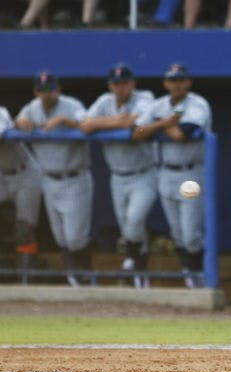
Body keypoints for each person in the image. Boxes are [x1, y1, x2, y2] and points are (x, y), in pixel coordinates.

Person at [132, 62, 212, 289]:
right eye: (172, 80)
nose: (177, 84)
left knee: (190, 235)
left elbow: (180, 134)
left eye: (181, 80)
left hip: (190, 173)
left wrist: (155, 126)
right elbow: (136, 132)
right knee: (177, 233)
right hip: (165, 171)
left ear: (188, 82)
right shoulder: (159, 105)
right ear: (166, 83)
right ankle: (190, 277)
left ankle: (201, 276)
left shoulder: (197, 104)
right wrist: (165, 122)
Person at [80, 62, 156, 289]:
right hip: (117, 176)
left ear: (132, 83)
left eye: (124, 83)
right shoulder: (105, 101)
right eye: (116, 84)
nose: (120, 88)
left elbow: (136, 122)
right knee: (128, 228)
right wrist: (117, 122)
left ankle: (132, 261)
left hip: (144, 173)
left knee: (134, 222)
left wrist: (102, 125)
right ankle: (140, 270)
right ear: (110, 85)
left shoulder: (145, 97)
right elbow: (85, 126)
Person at [15, 71, 93, 287]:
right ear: (35, 91)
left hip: (75, 176)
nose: (46, 93)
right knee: (61, 238)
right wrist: (21, 121)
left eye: (50, 89)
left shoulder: (71, 105)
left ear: (58, 89)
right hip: (48, 179)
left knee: (75, 238)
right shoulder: (31, 108)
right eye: (42, 90)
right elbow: (19, 121)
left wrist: (65, 121)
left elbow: (88, 124)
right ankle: (74, 280)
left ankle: (86, 276)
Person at [0, 105, 43, 282]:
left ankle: (26, 277)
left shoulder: (1, 111)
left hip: (25, 172)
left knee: (24, 228)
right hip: (2, 174)